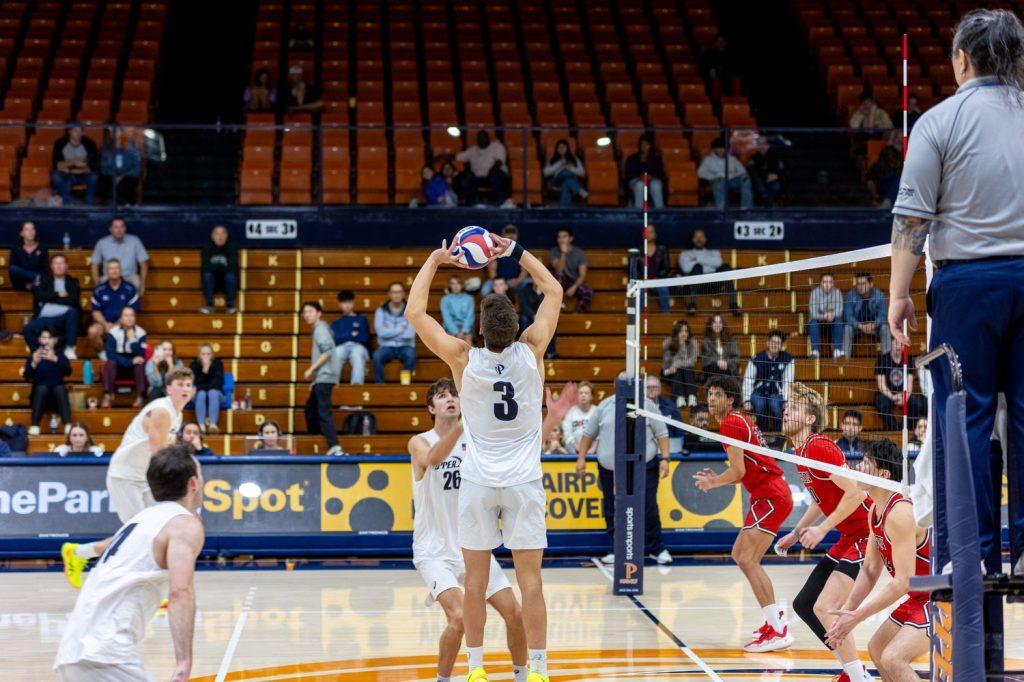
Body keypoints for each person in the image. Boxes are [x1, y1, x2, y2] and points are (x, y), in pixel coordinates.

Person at [887, 8, 1024, 571]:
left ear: (961, 59)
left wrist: (898, 294)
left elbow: (912, 219)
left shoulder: (939, 121)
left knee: (963, 418)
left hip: (966, 283)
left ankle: (970, 556)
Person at [405, 229, 562, 682]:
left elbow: (416, 311)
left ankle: (475, 669)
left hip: (478, 481)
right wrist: (513, 250)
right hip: (523, 482)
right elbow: (552, 289)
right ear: (518, 328)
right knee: (530, 583)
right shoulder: (533, 351)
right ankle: (537, 671)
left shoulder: (462, 359)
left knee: (474, 581)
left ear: (479, 330)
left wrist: (437, 259)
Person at [410, 378, 576, 682]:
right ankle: (443, 679)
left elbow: (521, 451)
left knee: (515, 615)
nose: (450, 399)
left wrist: (552, 418)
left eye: (455, 395)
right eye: (442, 396)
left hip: (473, 546)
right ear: (431, 407)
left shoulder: (478, 440)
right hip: (434, 551)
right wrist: (463, 426)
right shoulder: (420, 440)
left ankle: (523, 675)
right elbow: (432, 460)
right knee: (458, 618)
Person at [55, 444, 204, 682]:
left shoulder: (140, 520)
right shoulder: (183, 524)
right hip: (106, 655)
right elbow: (180, 593)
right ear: (193, 484)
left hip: (72, 653)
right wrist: (183, 665)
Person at [61, 369, 194, 589]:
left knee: (153, 532)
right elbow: (158, 453)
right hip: (125, 476)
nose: (185, 389)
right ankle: (130, 582)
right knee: (141, 535)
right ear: (169, 388)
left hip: (142, 478)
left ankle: (78, 553)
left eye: (189, 385)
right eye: (180, 384)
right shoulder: (162, 411)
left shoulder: (177, 414)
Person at [777, 383, 873, 682]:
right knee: (804, 605)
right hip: (849, 536)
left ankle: (858, 677)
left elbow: (856, 493)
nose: (785, 411)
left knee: (825, 607)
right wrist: (797, 532)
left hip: (867, 534)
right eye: (785, 407)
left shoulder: (818, 447)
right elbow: (821, 500)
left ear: (809, 419)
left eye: (792, 408)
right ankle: (852, 668)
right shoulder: (801, 450)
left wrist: (821, 530)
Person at [694, 374, 794, 652]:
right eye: (709, 394)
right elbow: (744, 472)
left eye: (717, 394)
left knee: (747, 558)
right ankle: (773, 619)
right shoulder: (737, 422)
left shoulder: (731, 423)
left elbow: (738, 470)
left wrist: (713, 482)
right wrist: (719, 477)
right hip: (767, 494)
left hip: (771, 496)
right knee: (743, 556)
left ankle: (778, 629)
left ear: (730, 399)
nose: (711, 399)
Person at [826, 439, 932, 681]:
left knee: (893, 658)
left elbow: (903, 582)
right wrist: (847, 612)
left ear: (882, 473)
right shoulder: (875, 509)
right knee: (877, 649)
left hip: (943, 597)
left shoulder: (900, 513)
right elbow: (871, 569)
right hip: (920, 597)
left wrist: (859, 615)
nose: (858, 467)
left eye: (865, 462)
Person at [576, 373, 672, 566]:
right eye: (621, 381)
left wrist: (666, 458)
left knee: (648, 506)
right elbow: (588, 434)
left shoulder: (647, 404)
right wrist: (581, 457)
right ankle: (616, 548)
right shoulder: (605, 406)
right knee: (611, 507)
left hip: (644, 465)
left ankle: (657, 548)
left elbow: (662, 433)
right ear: (615, 384)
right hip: (611, 468)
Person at [302, 301, 343, 456]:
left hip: (325, 377)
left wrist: (310, 370)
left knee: (323, 412)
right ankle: (317, 440)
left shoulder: (320, 329)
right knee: (310, 410)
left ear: (319, 313)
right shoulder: (321, 328)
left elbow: (327, 353)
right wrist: (315, 379)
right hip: (322, 378)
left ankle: (335, 446)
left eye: (310, 311)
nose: (307, 315)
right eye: (305, 312)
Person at [24, 253, 81, 359]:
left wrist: (50, 298)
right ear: (51, 266)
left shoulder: (73, 282)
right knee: (28, 329)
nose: (59, 266)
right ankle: (37, 352)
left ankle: (69, 348)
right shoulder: (44, 280)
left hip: (63, 318)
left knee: (73, 312)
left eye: (62, 263)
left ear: (67, 266)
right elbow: (39, 295)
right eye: (56, 263)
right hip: (45, 318)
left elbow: (72, 300)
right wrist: (58, 294)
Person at [742, 330, 794, 433]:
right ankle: (762, 435)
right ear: (767, 343)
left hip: (777, 393)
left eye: (778, 343)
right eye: (772, 342)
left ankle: (778, 435)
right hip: (758, 392)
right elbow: (748, 380)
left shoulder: (788, 359)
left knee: (775, 404)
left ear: (782, 345)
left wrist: (786, 400)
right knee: (760, 404)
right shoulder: (756, 358)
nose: (774, 345)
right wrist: (747, 400)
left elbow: (788, 381)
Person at [88, 259, 140, 358]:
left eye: (117, 268)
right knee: (92, 331)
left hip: (124, 324)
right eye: (111, 268)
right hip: (104, 324)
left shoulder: (130, 288)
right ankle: (104, 354)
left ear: (121, 270)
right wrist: (105, 324)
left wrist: (117, 324)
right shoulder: (99, 289)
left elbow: (132, 312)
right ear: (107, 271)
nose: (114, 271)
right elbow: (96, 312)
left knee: (131, 332)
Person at [678, 228, 738, 315]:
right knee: (697, 267)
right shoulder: (685, 254)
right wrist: (708, 263)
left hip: (712, 285)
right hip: (695, 286)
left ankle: (733, 304)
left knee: (726, 267)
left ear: (705, 239)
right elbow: (686, 268)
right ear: (693, 239)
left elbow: (718, 262)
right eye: (696, 236)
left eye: (701, 236)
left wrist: (696, 259)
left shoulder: (714, 252)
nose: (699, 239)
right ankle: (692, 305)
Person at [26, 326, 72, 436]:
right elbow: (26, 376)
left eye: (49, 337)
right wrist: (34, 363)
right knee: (42, 388)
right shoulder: (35, 355)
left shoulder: (60, 356)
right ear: (39, 340)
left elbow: (68, 372)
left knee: (60, 388)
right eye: (43, 337)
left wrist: (55, 359)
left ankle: (68, 425)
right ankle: (35, 425)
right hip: (39, 398)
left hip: (58, 400)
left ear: (55, 340)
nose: (46, 340)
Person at [875, 339, 926, 431]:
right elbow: (881, 385)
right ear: (891, 344)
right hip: (887, 393)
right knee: (882, 404)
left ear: (904, 346)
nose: (898, 346)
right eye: (896, 343)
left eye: (901, 344)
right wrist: (892, 397)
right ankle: (896, 428)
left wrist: (905, 397)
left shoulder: (909, 360)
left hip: (904, 393)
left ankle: (906, 427)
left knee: (918, 404)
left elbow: (910, 384)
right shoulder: (882, 360)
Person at [101, 307, 148, 408]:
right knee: (110, 362)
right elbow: (110, 354)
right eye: (126, 315)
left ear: (135, 318)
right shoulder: (113, 332)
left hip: (133, 368)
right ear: (121, 319)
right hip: (118, 365)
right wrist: (130, 361)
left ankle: (140, 397)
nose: (129, 318)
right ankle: (107, 395)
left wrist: (133, 341)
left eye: (131, 315)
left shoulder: (141, 333)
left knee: (140, 363)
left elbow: (141, 354)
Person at [372, 282, 417, 383]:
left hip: (406, 346)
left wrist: (389, 330)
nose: (396, 295)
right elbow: (381, 333)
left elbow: (410, 334)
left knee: (411, 355)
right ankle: (380, 386)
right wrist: (401, 330)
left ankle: (405, 383)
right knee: (377, 356)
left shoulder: (411, 311)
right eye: (393, 292)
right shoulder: (381, 311)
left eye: (399, 292)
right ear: (389, 294)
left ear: (403, 294)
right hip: (386, 347)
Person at [90, 217, 149, 293]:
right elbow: (94, 264)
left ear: (125, 228)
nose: (119, 230)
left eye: (122, 226)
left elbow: (144, 263)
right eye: (116, 227)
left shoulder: (135, 241)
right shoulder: (102, 243)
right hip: (109, 277)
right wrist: (97, 284)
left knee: (136, 282)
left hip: (129, 277)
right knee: (101, 286)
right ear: (110, 229)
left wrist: (142, 284)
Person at [455, 130, 511, 207]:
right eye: (479, 138)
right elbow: (458, 157)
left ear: (488, 138)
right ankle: (473, 204)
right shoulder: (473, 150)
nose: (482, 139)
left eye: (483, 137)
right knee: (466, 178)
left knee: (496, 176)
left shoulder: (497, 146)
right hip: (478, 177)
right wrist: (442, 156)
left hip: (496, 175)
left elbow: (499, 162)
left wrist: (491, 172)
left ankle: (498, 204)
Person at [51, 121, 99, 205]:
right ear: (69, 131)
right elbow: (57, 165)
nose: (79, 134)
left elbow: (91, 167)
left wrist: (69, 169)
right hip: (67, 175)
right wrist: (74, 162)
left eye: (81, 131)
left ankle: (89, 204)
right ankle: (68, 201)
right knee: (56, 176)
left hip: (82, 174)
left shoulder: (90, 143)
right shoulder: (60, 143)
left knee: (94, 176)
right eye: (75, 131)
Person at [697, 137, 753, 209]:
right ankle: (722, 209)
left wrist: (733, 175)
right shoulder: (708, 160)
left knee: (746, 179)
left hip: (732, 180)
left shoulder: (732, 159)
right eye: (718, 148)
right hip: (718, 180)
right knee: (719, 181)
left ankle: (746, 208)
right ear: (714, 149)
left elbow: (742, 171)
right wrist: (714, 176)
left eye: (723, 148)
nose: (721, 150)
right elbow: (700, 173)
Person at [843, 272, 889, 358]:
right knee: (847, 328)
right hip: (857, 327)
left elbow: (883, 315)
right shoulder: (850, 295)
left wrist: (873, 324)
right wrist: (860, 325)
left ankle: (887, 360)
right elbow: (848, 316)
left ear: (871, 284)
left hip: (875, 327)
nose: (860, 287)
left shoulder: (879, 295)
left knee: (885, 328)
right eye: (858, 284)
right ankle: (846, 361)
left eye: (863, 284)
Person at [331, 290, 371, 385]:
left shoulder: (362, 320)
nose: (347, 305)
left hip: (359, 347)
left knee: (357, 353)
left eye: (349, 302)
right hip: (342, 347)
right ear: (340, 304)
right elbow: (335, 340)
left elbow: (364, 338)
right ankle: (332, 384)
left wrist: (344, 336)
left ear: (353, 303)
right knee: (336, 353)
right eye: (344, 303)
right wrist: (351, 335)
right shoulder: (336, 323)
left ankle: (356, 385)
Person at [549, 227, 592, 313]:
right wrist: (563, 253)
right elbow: (558, 270)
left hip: (574, 282)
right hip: (560, 282)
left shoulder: (580, 254)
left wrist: (574, 287)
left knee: (587, 292)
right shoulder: (554, 251)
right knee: (560, 275)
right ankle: (556, 310)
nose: (561, 240)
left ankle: (576, 315)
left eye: (564, 237)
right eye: (559, 237)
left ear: (570, 238)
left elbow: (582, 275)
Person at [200, 225, 239, 314]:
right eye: (217, 234)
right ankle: (209, 305)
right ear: (212, 236)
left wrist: (215, 266)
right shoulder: (207, 248)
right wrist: (223, 266)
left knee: (230, 277)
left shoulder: (232, 248)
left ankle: (230, 306)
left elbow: (233, 268)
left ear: (227, 236)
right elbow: (205, 268)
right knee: (207, 275)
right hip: (212, 282)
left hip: (226, 282)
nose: (220, 237)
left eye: (223, 234)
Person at [482, 224, 528, 297]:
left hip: (515, 281)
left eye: (513, 233)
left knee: (528, 283)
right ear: (502, 236)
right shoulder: (496, 250)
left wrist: (518, 281)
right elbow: (492, 273)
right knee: (485, 289)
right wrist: (500, 283)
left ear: (517, 235)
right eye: (508, 233)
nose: (511, 235)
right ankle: (491, 308)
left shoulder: (521, 251)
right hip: (499, 281)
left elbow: (524, 270)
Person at [100, 127, 142, 205]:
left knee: (124, 183)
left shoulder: (131, 147)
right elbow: (104, 169)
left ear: (122, 132)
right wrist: (115, 175)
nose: (115, 133)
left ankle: (126, 205)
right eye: (112, 131)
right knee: (109, 182)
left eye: (117, 130)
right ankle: (113, 206)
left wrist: (122, 175)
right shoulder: (106, 149)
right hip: (111, 176)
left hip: (128, 176)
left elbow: (136, 169)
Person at [189, 344, 225, 435]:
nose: (206, 356)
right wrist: (205, 370)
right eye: (203, 354)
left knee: (212, 392)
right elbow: (195, 383)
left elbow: (218, 383)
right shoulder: (194, 365)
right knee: (202, 394)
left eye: (208, 354)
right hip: (198, 395)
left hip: (217, 394)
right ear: (199, 355)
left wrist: (203, 387)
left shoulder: (218, 363)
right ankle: (201, 426)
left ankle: (213, 425)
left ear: (212, 355)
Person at [663, 320, 699, 408]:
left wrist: (677, 364)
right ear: (676, 332)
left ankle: (681, 397)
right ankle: (691, 395)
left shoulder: (692, 343)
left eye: (686, 331)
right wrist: (680, 345)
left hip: (685, 371)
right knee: (681, 370)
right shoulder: (669, 343)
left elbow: (692, 361)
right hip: (670, 371)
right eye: (681, 331)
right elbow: (668, 362)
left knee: (685, 369)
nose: (684, 334)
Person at [623, 134, 666, 208]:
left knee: (656, 185)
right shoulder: (632, 158)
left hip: (652, 179)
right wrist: (639, 177)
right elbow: (628, 174)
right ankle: (638, 210)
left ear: (650, 146)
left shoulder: (656, 159)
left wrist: (651, 177)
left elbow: (660, 173)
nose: (644, 147)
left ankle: (660, 210)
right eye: (642, 144)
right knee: (640, 185)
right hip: (636, 180)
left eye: (647, 145)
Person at [542, 138, 587, 207]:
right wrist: (560, 163)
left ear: (567, 148)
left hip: (569, 182)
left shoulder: (574, 159)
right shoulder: (553, 159)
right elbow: (545, 173)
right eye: (559, 147)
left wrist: (570, 168)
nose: (561, 148)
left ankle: (563, 208)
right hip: (556, 182)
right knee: (566, 173)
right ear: (556, 149)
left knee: (566, 184)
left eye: (564, 147)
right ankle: (579, 191)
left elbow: (582, 172)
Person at [809, 273, 844, 358]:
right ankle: (815, 351)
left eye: (830, 282)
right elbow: (813, 312)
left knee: (839, 321)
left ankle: (837, 351)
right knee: (813, 322)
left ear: (833, 283)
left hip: (832, 323)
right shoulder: (815, 292)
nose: (827, 284)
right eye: (825, 282)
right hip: (819, 323)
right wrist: (824, 316)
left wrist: (832, 315)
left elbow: (840, 310)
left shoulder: (837, 292)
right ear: (820, 283)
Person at [646, 374, 685, 452]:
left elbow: (678, 428)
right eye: (648, 387)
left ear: (660, 389)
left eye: (654, 387)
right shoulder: (638, 406)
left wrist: (680, 447)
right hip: (646, 447)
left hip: (668, 447)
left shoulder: (669, 405)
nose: (651, 389)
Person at [560, 380, 597, 457]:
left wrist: (593, 449)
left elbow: (600, 434)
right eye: (580, 393)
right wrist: (578, 449)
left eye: (586, 393)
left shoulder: (597, 411)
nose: (583, 395)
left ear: (591, 396)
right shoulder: (570, 412)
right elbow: (567, 434)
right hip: (574, 450)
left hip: (594, 450)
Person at [700, 314, 740, 382]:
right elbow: (705, 359)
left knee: (725, 371)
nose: (717, 325)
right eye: (715, 322)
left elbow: (736, 358)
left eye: (720, 322)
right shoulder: (706, 341)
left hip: (728, 371)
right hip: (712, 372)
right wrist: (718, 361)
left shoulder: (732, 340)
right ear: (710, 325)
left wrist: (726, 362)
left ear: (723, 325)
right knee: (715, 367)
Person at [9, 220, 48, 291]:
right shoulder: (16, 248)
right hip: (21, 283)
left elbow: (46, 269)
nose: (30, 232)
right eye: (27, 229)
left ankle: (34, 279)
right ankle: (34, 278)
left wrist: (36, 278)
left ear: (35, 232)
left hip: (37, 283)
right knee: (13, 269)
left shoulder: (42, 248)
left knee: (41, 278)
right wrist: (30, 278)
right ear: (22, 233)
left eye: (32, 229)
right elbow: (13, 270)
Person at [746, 137, 783, 206]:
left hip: (772, 180)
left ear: (768, 145)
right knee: (759, 184)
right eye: (759, 144)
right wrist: (766, 176)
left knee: (776, 186)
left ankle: (767, 201)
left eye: (764, 144)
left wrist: (776, 175)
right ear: (757, 146)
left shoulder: (774, 156)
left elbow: (780, 170)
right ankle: (767, 201)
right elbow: (753, 172)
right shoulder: (754, 158)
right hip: (760, 180)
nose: (762, 146)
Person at [643, 224, 671, 312]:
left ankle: (666, 316)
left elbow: (666, 269)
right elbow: (634, 271)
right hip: (643, 282)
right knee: (638, 290)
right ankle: (639, 316)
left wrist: (655, 279)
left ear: (655, 234)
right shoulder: (638, 251)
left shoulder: (662, 250)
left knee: (663, 288)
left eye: (651, 232)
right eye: (647, 232)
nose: (649, 234)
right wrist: (643, 279)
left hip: (658, 281)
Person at [441, 275, 475, 344]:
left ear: (462, 285)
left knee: (467, 344)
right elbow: (447, 318)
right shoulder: (445, 300)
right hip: (450, 328)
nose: (456, 286)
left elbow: (470, 317)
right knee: (451, 345)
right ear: (450, 285)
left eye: (458, 283)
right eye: (453, 283)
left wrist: (464, 331)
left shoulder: (469, 299)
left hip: (466, 328)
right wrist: (456, 332)